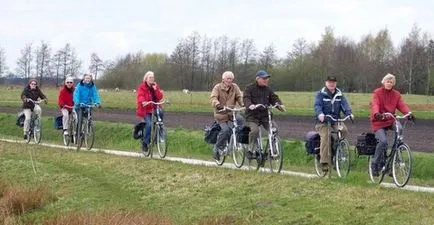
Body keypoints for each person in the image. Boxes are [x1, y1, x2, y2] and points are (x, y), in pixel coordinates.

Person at [370, 73, 414, 176]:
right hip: (379, 120)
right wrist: (377, 114)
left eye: (391, 82)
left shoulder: (396, 94)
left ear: (393, 83)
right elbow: (375, 104)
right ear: (383, 82)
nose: (389, 83)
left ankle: (395, 154)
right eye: (387, 81)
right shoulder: (377, 92)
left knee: (400, 128)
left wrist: (408, 113)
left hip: (390, 119)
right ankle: (374, 163)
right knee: (383, 142)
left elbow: (402, 105)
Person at [314, 76, 354, 172]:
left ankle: (338, 155)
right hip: (322, 121)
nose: (332, 84)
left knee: (344, 130)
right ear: (326, 83)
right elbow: (317, 105)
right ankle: (324, 162)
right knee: (326, 136)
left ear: (336, 83)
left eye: (333, 82)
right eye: (330, 82)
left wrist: (349, 114)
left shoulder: (339, 94)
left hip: (335, 120)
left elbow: (345, 105)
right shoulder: (320, 94)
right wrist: (320, 114)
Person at [243, 70, 285, 156]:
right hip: (252, 116)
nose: (266, 80)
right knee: (254, 131)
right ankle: (251, 149)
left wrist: (280, 105)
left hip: (265, 116)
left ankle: (272, 150)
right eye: (264, 78)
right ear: (257, 79)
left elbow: (274, 98)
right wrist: (250, 105)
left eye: (267, 78)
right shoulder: (249, 88)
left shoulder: (268, 89)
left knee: (274, 129)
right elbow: (246, 98)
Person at [209, 71, 244, 160]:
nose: (229, 80)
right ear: (223, 79)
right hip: (221, 114)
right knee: (225, 130)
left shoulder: (235, 87)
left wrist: (244, 105)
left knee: (241, 124)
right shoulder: (217, 87)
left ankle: (238, 144)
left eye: (231, 78)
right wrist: (217, 105)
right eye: (228, 78)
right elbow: (213, 98)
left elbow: (239, 97)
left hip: (232, 114)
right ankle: (217, 148)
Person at [136, 71, 164, 152]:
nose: (152, 79)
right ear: (146, 78)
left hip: (154, 107)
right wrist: (143, 101)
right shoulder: (142, 87)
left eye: (153, 77)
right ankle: (145, 142)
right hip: (145, 109)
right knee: (149, 124)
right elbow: (140, 95)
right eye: (150, 77)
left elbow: (159, 97)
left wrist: (156, 90)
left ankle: (159, 134)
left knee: (161, 114)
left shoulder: (155, 86)